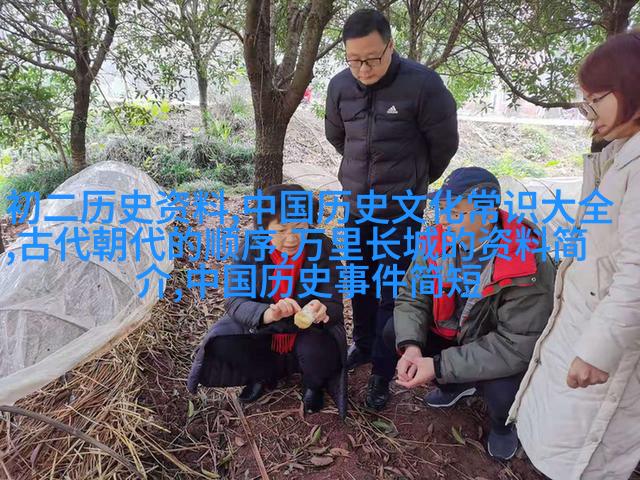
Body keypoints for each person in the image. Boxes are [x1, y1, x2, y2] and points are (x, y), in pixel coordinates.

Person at [508, 31, 640, 479]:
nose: (589, 113)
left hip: (605, 339)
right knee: (560, 436)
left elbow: (636, 275)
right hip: (581, 320)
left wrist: (598, 350)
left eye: (595, 100)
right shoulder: (619, 156)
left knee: (585, 453)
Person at [324, 8, 459, 411]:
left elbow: (443, 146)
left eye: (372, 58)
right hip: (357, 206)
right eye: (354, 60)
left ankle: (383, 371)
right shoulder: (339, 86)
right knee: (361, 281)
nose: (363, 69)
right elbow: (337, 137)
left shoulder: (423, 85)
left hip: (401, 210)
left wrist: (414, 180)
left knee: (391, 289)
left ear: (391, 46)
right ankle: (363, 345)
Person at [386, 167, 555, 460]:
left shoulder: (526, 262)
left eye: (455, 213)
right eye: (441, 210)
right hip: (454, 332)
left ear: (488, 214)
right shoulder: (438, 240)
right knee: (395, 332)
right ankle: (457, 384)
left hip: (499, 348)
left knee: (503, 393)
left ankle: (503, 426)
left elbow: (517, 344)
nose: (443, 220)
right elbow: (412, 295)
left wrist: (439, 365)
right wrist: (411, 346)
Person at [187, 184, 348, 418]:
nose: (291, 238)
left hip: (308, 330)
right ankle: (261, 375)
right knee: (223, 343)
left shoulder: (322, 247)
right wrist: (267, 313)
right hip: (265, 327)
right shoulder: (251, 248)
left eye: (300, 227)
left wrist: (322, 309)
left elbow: (333, 301)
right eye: (281, 230)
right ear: (264, 228)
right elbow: (234, 300)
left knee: (320, 351)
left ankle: (313, 384)